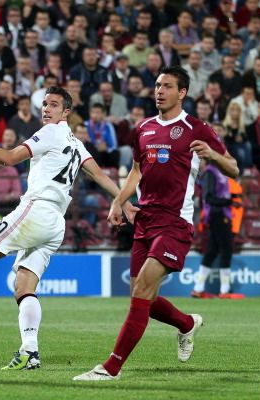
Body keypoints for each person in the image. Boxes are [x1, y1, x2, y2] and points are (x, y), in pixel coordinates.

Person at [0, 86, 138, 370]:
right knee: (24, 286)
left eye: (54, 105)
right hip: (56, 223)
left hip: (37, 210)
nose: (46, 109)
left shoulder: (51, 132)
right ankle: (30, 352)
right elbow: (97, 173)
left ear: (66, 112)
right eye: (45, 104)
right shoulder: (76, 142)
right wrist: (123, 201)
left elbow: (8, 158)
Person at [74, 66, 239, 381]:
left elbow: (233, 167)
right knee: (141, 295)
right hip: (145, 220)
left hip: (175, 222)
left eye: (167, 86)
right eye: (157, 85)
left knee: (144, 288)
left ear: (182, 93)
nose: (159, 90)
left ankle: (111, 368)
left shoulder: (196, 128)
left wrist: (214, 156)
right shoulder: (144, 128)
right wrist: (119, 201)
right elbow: (136, 171)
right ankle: (187, 324)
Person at [191, 160, 245, 299]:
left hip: (219, 214)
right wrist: (229, 202)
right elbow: (208, 198)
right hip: (218, 214)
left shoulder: (217, 172)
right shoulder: (210, 172)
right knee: (227, 249)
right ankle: (225, 290)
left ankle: (198, 289)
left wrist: (230, 199)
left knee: (212, 251)